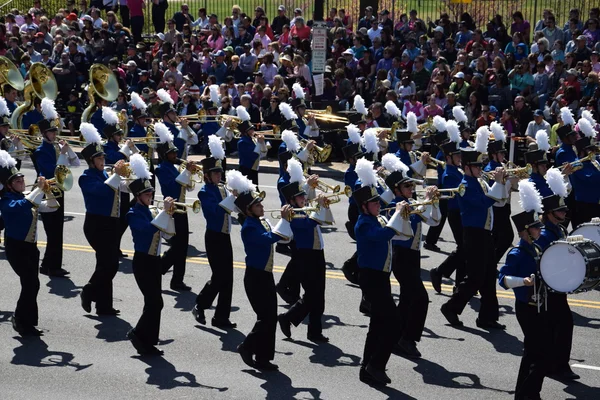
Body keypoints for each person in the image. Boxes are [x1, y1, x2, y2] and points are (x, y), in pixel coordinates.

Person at [440, 143, 509, 329]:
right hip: (473, 235)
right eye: (477, 166)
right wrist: (498, 182)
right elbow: (484, 203)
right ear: (467, 167)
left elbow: (500, 201)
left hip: (485, 234)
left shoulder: (479, 182)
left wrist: (501, 182)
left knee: (488, 277)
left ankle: (487, 317)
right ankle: (450, 307)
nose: (480, 169)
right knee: (476, 277)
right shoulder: (464, 186)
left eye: (480, 166)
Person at [353, 158, 408, 385]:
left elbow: (402, 234)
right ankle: (376, 365)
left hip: (381, 277)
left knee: (377, 323)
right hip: (371, 278)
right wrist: (397, 213)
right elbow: (384, 235)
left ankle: (367, 367)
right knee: (394, 323)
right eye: (374, 203)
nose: (378, 204)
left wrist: (403, 212)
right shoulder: (364, 223)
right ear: (364, 206)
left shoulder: (376, 218)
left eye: (377, 201)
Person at [232, 172, 292, 371]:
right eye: (258, 205)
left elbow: (284, 238)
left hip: (266, 275)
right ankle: (247, 347)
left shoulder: (262, 221)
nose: (263, 207)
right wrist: (283, 221)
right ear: (249, 210)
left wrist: (287, 222)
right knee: (265, 317)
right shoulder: (249, 227)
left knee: (270, 317)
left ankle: (264, 358)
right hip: (255, 277)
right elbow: (268, 239)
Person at [498, 183, 549, 400]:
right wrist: (524, 281)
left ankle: (526, 393)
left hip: (539, 305)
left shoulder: (537, 248)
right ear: (525, 231)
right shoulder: (516, 253)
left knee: (533, 353)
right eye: (536, 227)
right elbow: (503, 279)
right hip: (526, 307)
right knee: (540, 353)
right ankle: (528, 393)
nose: (540, 230)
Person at [386, 166, 440, 359]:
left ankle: (395, 337)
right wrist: (426, 201)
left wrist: (432, 202)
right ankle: (407, 339)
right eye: (407, 186)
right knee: (420, 299)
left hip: (413, 256)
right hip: (402, 257)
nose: (411, 188)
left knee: (407, 300)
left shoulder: (410, 203)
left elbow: (434, 221)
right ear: (396, 189)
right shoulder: (395, 206)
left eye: (411, 185)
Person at [0, 150, 53, 336]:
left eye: (22, 179)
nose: (22, 183)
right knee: (30, 283)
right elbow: (22, 207)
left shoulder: (26, 197)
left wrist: (48, 192)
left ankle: (28, 322)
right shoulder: (6, 201)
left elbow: (52, 207)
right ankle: (20, 319)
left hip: (31, 248)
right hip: (16, 248)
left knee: (33, 284)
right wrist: (38, 190)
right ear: (9, 186)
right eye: (17, 181)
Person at [277, 160, 330, 344]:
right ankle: (290, 319)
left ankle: (310, 330)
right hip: (305, 256)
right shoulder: (294, 216)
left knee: (318, 295)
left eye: (303, 197)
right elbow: (311, 224)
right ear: (292, 201)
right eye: (300, 198)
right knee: (313, 295)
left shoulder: (305, 209)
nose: (304, 199)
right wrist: (321, 206)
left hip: (317, 253)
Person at [126, 154, 173, 356]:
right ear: (137, 197)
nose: (150, 197)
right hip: (143, 262)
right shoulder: (133, 213)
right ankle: (138, 334)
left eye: (151, 193)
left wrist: (169, 214)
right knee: (155, 302)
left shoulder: (153, 210)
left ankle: (148, 341)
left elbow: (168, 232)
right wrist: (163, 213)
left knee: (155, 302)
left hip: (154, 261)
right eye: (146, 194)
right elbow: (148, 230)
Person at [78, 123, 127, 316]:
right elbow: (102, 191)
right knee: (110, 264)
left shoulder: (104, 173)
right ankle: (89, 291)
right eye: (99, 158)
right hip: (97, 224)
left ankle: (104, 305)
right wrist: (115, 175)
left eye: (103, 157)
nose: (102, 160)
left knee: (106, 263)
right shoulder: (86, 177)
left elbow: (119, 187)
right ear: (91, 161)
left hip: (111, 222)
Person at [535, 193, 581, 381]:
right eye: (560, 210)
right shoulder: (545, 234)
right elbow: (544, 262)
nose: (564, 212)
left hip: (558, 286)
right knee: (561, 325)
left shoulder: (559, 229)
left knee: (558, 326)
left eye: (564, 209)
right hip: (549, 288)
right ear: (550, 213)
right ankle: (558, 366)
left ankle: (555, 364)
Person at [193, 136, 237, 329]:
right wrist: (231, 199)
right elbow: (215, 213)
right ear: (207, 176)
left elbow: (233, 209)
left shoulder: (223, 189)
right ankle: (200, 305)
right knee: (219, 276)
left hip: (225, 236)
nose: (219, 176)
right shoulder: (204, 192)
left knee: (228, 278)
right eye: (215, 173)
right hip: (214, 237)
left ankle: (221, 317)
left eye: (220, 172)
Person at [33, 103, 80, 278]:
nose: (54, 134)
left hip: (59, 192)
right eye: (51, 132)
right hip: (49, 193)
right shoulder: (41, 151)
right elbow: (53, 172)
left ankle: (47, 265)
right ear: (45, 134)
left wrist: (68, 151)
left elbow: (74, 164)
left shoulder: (55, 148)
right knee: (53, 231)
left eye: (54, 131)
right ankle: (53, 266)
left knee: (57, 230)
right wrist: (62, 154)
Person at [154, 122, 194, 292]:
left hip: (182, 209)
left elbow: (188, 187)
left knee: (182, 246)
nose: (176, 154)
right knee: (178, 246)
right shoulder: (162, 169)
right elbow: (173, 188)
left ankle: (176, 279)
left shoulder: (175, 166)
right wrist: (186, 172)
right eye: (172, 152)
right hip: (172, 209)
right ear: (164, 154)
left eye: (176, 152)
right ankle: (159, 270)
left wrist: (189, 172)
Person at [430, 140, 466, 293]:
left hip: (462, 212)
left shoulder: (457, 170)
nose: (459, 157)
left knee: (465, 249)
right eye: (456, 155)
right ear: (448, 157)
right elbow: (459, 194)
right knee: (464, 248)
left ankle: (459, 283)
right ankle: (440, 272)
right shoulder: (448, 174)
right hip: (456, 213)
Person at [103, 109, 138, 258]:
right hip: (114, 187)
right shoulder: (105, 148)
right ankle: (112, 247)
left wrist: (132, 148)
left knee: (124, 218)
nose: (120, 136)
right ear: (111, 136)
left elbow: (136, 158)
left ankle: (114, 245)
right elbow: (115, 160)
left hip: (124, 186)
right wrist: (125, 148)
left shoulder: (118, 146)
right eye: (118, 134)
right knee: (117, 219)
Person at [484, 132, 517, 265]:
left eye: (504, 153)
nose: (504, 156)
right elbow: (495, 192)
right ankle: (491, 262)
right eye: (501, 153)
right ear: (494, 155)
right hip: (497, 209)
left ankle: (490, 262)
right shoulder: (490, 170)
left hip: (505, 207)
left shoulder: (501, 166)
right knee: (507, 237)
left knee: (497, 239)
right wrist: (507, 181)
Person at [236, 105, 267, 187]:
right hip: (246, 170)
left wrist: (263, 143)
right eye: (251, 129)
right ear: (246, 132)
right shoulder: (242, 142)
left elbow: (263, 154)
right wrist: (259, 143)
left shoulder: (253, 139)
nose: (253, 130)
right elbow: (254, 156)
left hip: (254, 169)